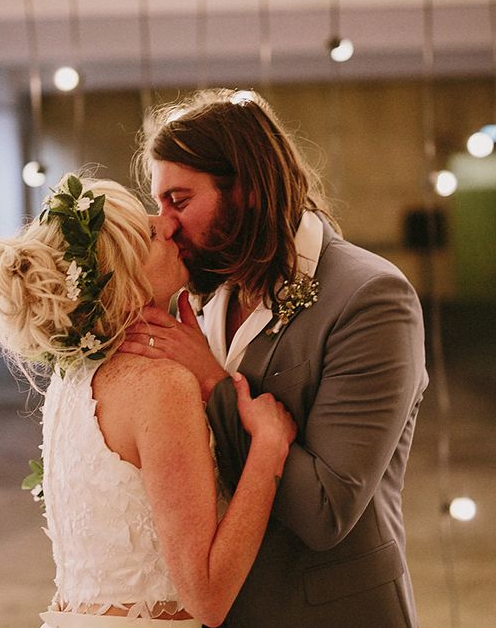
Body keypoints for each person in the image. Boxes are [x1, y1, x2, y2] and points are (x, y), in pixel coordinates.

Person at [122, 88, 429, 627]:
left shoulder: (371, 298)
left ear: (246, 190)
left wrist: (215, 383)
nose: (166, 224)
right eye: (161, 203)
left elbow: (326, 513)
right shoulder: (199, 288)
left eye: (180, 200)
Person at [0, 173, 296, 628]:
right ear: (126, 276)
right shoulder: (160, 385)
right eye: (148, 233)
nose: (166, 225)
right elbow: (207, 597)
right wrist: (268, 446)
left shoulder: (72, 381)